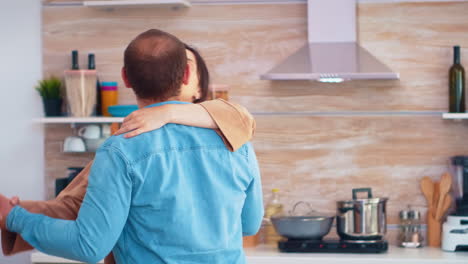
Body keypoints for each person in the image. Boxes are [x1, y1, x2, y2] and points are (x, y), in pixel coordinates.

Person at [0, 29, 263, 264]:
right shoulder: (236, 141)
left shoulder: (120, 151)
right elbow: (249, 224)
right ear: (186, 76)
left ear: (125, 78)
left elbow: (89, 245)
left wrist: (16, 218)